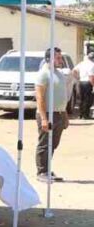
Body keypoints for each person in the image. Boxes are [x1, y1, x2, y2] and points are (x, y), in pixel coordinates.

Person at [36, 46, 70, 183]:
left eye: (60, 57)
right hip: (48, 114)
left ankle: (47, 169)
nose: (60, 60)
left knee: (53, 144)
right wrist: (44, 118)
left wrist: (65, 115)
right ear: (48, 59)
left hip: (59, 114)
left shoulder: (59, 73)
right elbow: (40, 97)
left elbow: (62, 96)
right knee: (45, 144)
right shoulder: (44, 74)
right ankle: (41, 171)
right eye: (57, 57)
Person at [75, 51, 94, 120]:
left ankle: (80, 115)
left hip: (80, 82)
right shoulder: (92, 65)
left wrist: (78, 78)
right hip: (87, 83)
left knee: (81, 99)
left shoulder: (82, 63)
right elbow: (91, 77)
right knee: (88, 99)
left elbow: (74, 70)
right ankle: (86, 115)